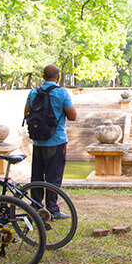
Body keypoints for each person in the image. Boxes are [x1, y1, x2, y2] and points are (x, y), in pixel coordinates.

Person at [24, 64, 77, 219]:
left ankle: (35, 206)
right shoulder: (62, 93)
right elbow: (73, 116)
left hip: (38, 142)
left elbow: (26, 113)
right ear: (58, 77)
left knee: (37, 176)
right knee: (54, 177)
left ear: (43, 77)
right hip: (56, 140)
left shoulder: (33, 92)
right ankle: (53, 209)